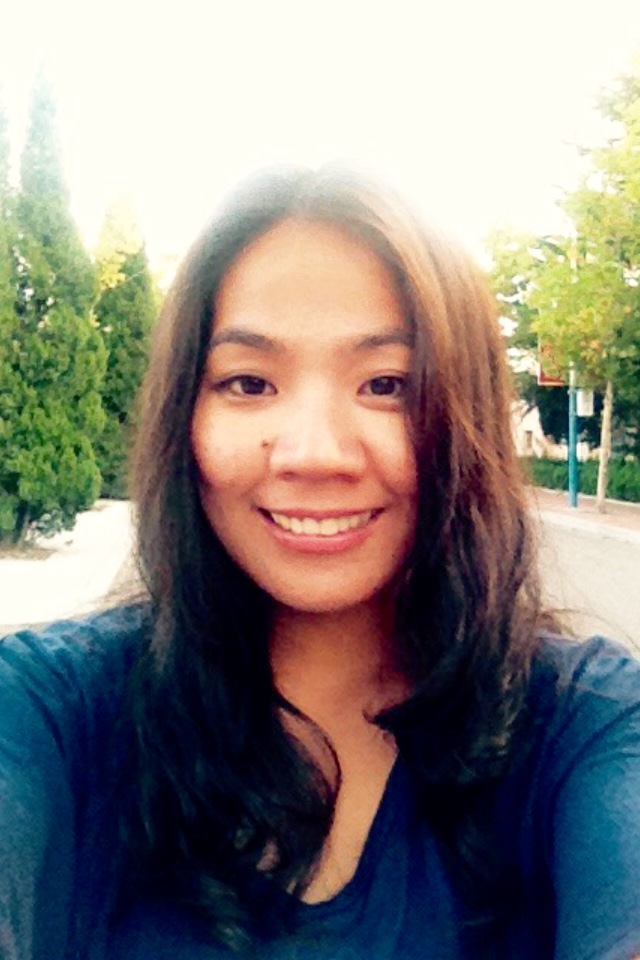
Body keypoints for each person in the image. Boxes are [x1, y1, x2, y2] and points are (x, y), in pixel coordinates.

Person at [1, 165, 639, 960]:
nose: (313, 454)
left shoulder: (590, 727)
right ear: (185, 417)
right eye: (249, 383)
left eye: (387, 384)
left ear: (466, 412)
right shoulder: (46, 716)